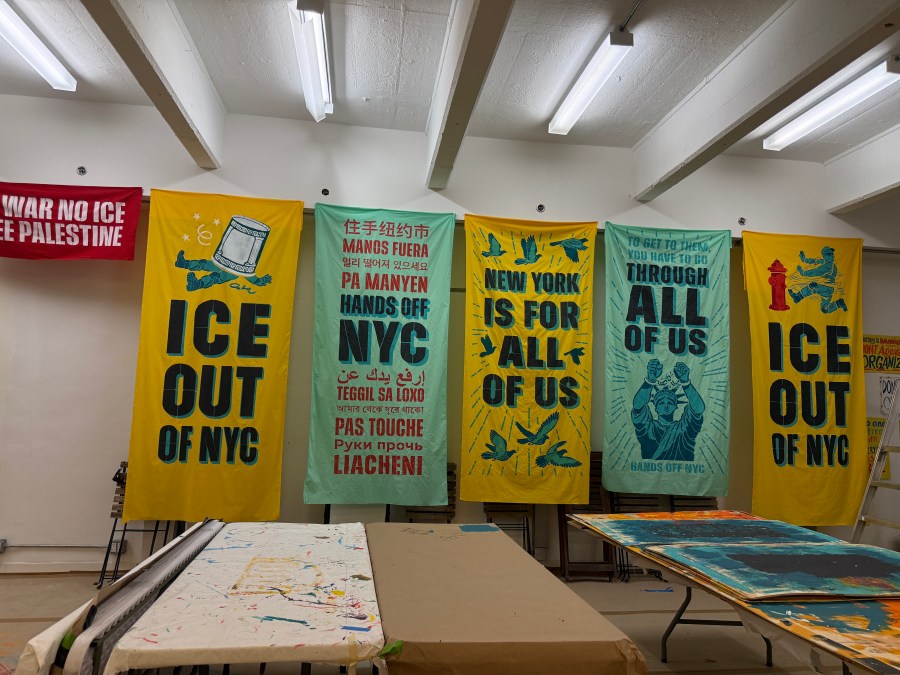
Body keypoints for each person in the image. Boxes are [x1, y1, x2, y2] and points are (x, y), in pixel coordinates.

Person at [631, 359, 705, 462]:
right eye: (661, 403)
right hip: (650, 472)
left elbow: (699, 409)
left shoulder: (683, 428)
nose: (666, 406)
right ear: (655, 407)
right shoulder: (649, 428)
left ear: (675, 407)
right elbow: (638, 406)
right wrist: (650, 380)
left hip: (683, 472)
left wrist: (686, 383)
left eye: (670, 403)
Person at [788, 246, 847, 313]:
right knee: (824, 309)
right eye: (829, 254)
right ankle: (839, 303)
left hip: (827, 289)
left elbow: (816, 271)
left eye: (832, 253)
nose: (832, 255)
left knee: (813, 286)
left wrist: (803, 273)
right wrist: (804, 260)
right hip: (827, 289)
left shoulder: (828, 265)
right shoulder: (828, 262)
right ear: (824, 256)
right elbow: (815, 261)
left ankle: (797, 297)